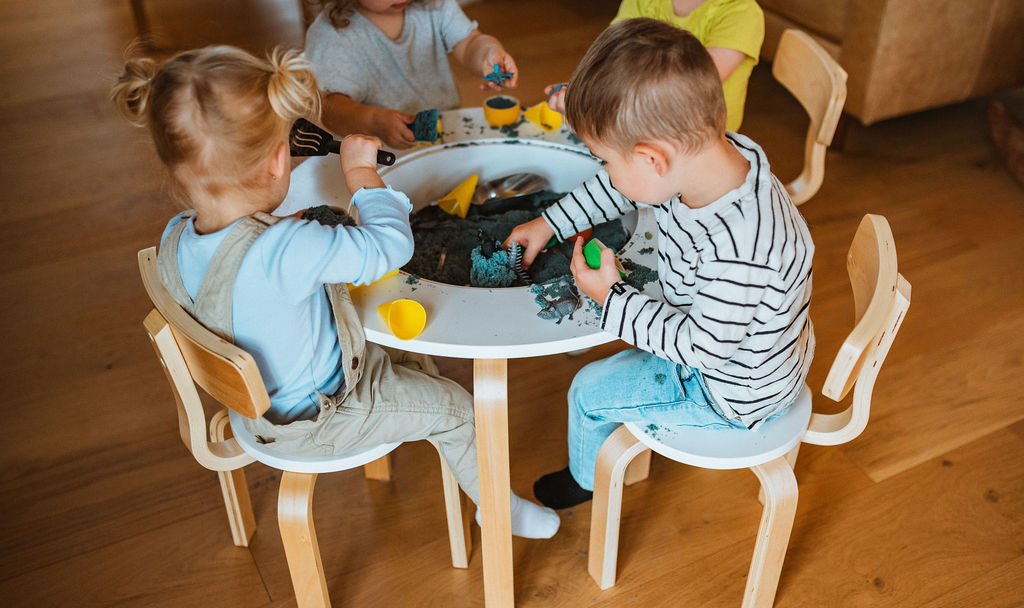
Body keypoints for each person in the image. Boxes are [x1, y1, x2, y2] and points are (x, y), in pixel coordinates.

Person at [112, 45, 559, 537]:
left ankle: (429, 424)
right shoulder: (286, 249)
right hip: (321, 417)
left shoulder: (177, 236)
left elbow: (246, 273)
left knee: (414, 364)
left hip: (257, 406)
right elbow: (390, 247)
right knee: (457, 409)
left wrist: (285, 231)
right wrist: (362, 176)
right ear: (280, 160)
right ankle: (498, 509)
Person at [504, 19, 813, 508]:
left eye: (605, 159)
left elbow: (705, 348)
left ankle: (586, 480)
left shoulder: (740, 249)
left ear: (653, 160)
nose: (605, 171)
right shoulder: (710, 157)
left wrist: (611, 297)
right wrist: (550, 224)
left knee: (587, 391)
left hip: (727, 388)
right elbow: (617, 187)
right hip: (738, 341)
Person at [304, 0, 519, 148]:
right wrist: (374, 122)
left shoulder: (434, 5)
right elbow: (331, 107)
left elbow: (469, 42)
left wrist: (488, 52)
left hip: (444, 129)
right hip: (380, 152)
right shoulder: (330, 35)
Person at [547, 0, 763, 132]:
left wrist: (597, 106)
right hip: (640, 118)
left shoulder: (742, 13)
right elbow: (612, 53)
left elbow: (690, 82)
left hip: (699, 136)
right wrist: (587, 90)